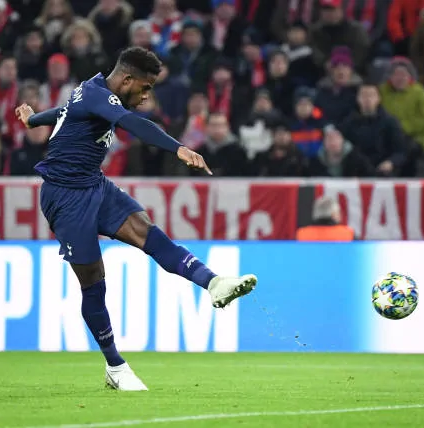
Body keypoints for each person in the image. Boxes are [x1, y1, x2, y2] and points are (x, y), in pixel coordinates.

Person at [14, 47, 257, 391]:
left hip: (94, 184)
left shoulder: (91, 90)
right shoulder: (99, 96)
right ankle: (115, 366)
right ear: (126, 79)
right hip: (65, 197)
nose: (145, 97)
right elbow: (133, 123)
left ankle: (213, 283)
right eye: (144, 88)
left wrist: (33, 120)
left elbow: (64, 111)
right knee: (93, 280)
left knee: (148, 232)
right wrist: (178, 148)